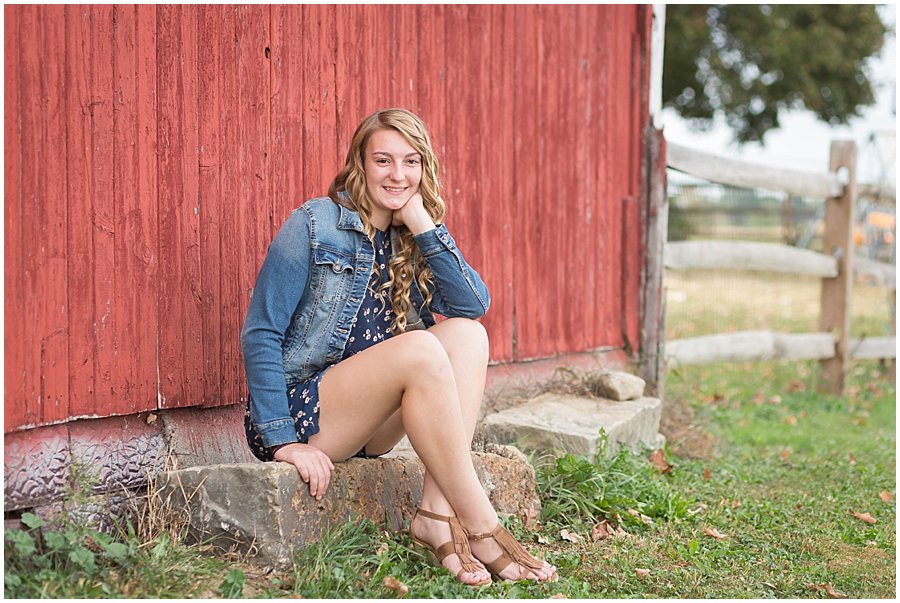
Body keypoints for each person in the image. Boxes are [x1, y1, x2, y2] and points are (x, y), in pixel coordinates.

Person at [241, 108, 557, 586]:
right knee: (421, 349)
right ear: (360, 164)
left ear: (424, 168)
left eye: (411, 162)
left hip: (371, 422)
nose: (398, 174)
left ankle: (435, 512)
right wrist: (282, 441)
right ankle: (483, 525)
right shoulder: (314, 224)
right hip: (308, 414)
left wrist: (422, 224)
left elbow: (471, 305)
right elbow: (261, 332)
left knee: (468, 336)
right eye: (383, 160)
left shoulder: (409, 237)